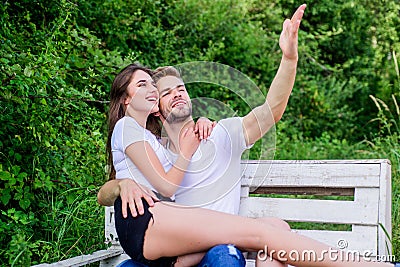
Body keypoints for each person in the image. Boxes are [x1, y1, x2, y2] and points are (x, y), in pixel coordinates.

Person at [98, 4, 398, 267]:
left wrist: (289, 59)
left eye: (181, 88)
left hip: (216, 250)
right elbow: (113, 188)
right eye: (164, 92)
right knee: (263, 235)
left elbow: (272, 110)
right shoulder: (156, 149)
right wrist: (121, 184)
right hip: (164, 243)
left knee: (270, 231)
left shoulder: (221, 133)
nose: (176, 94)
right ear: (155, 108)